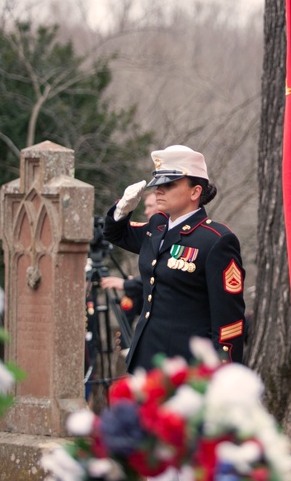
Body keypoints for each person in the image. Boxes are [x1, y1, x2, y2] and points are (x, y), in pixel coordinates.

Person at [103, 144, 246, 375]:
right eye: (158, 184)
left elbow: (228, 321)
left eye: (169, 185)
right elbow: (115, 234)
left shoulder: (216, 240)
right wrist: (121, 209)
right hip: (145, 361)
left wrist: (222, 375)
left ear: (195, 192)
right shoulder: (156, 227)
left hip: (186, 368)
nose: (159, 190)